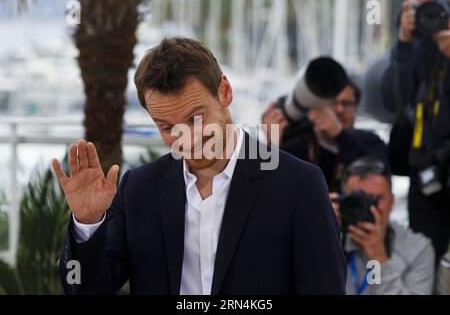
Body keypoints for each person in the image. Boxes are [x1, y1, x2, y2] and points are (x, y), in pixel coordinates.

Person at [52, 37, 346, 295]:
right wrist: (88, 223)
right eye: (167, 127)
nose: (187, 139)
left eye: (196, 118)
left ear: (225, 92)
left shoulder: (298, 184)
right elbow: (88, 289)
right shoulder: (138, 189)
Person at [382, 0, 450, 261]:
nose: (435, 14)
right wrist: (404, 42)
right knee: (425, 258)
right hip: (425, 174)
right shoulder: (416, 46)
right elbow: (394, 100)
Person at [331, 157, 435, 295]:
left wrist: (378, 258)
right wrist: (323, 230)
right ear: (341, 200)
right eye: (357, 199)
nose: (369, 208)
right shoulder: (330, 238)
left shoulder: (417, 249)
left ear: (392, 201)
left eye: (376, 199)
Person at [262, 79, 388, 192]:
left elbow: (378, 175)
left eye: (347, 103)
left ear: (356, 107)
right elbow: (268, 187)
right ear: (316, 108)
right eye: (332, 103)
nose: (340, 110)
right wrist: (271, 144)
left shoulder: (370, 142)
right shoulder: (298, 146)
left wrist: (339, 133)